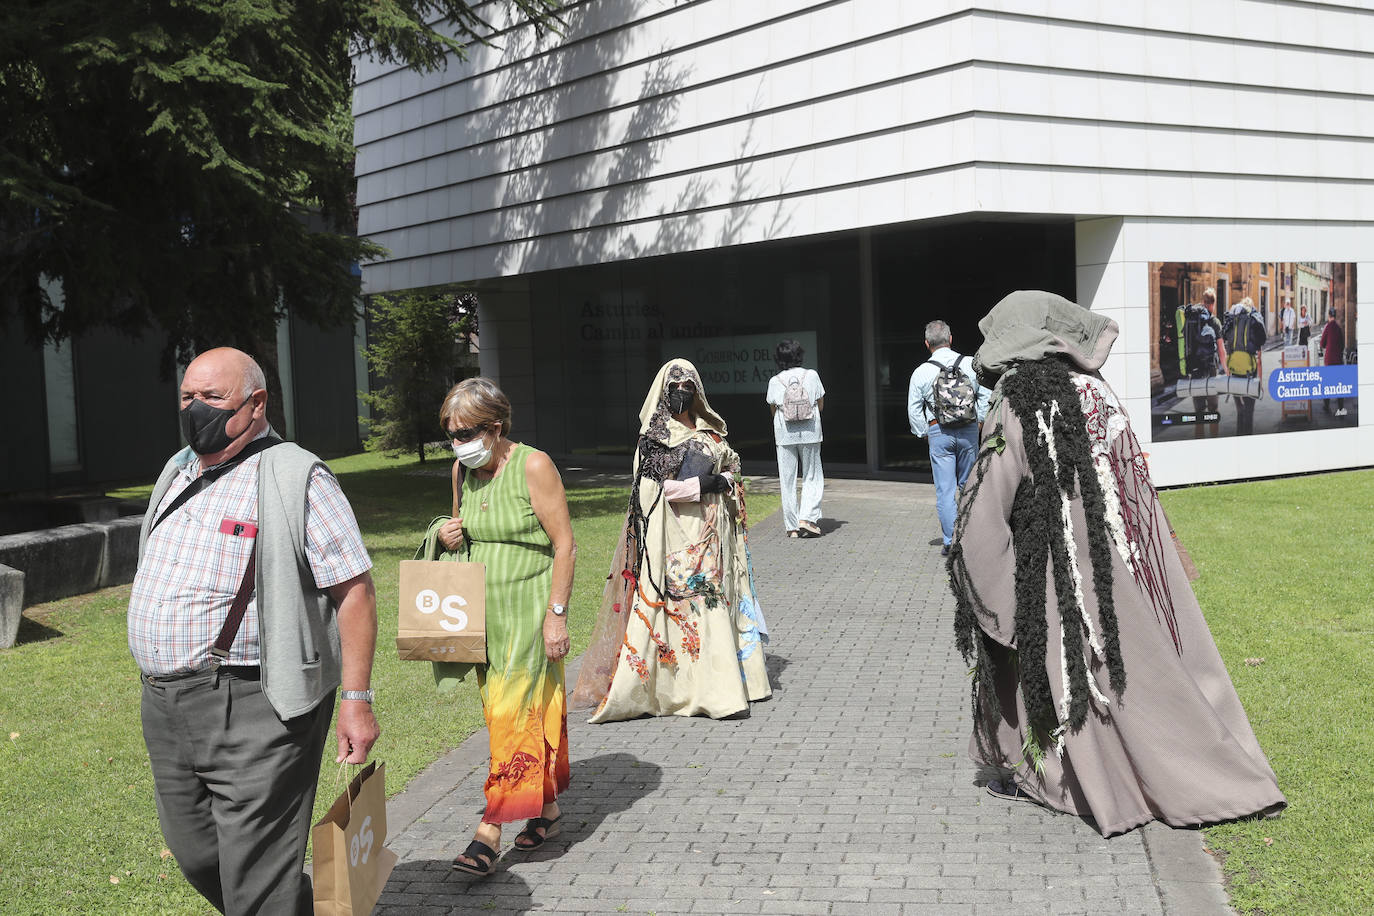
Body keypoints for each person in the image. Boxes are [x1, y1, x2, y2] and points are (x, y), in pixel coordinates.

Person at [947, 290, 1287, 836]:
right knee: (1144, 677)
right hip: (1127, 566)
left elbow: (984, 508)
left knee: (1074, 680)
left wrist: (994, 592)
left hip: (1060, 573)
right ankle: (1200, 771)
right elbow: (1135, 489)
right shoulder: (1096, 393)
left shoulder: (1017, 401)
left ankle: (1087, 782)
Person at [128, 347, 378, 915]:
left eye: (212, 398)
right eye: (188, 397)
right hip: (166, 704)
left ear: (256, 402)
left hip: (255, 705)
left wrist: (357, 700)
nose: (195, 409)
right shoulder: (178, 470)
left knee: (258, 874)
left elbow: (354, 593)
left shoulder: (297, 475)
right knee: (194, 853)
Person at [570, 358, 772, 722]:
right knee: (694, 607)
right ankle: (697, 692)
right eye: (674, 387)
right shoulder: (655, 438)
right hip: (677, 538)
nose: (681, 393)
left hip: (714, 536)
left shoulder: (709, 429)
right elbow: (655, 493)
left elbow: (733, 469)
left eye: (688, 387)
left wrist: (723, 480)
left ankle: (731, 683)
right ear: (663, 391)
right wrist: (707, 483)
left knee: (716, 602)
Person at [431, 378, 576, 877]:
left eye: (467, 432)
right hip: (482, 617)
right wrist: (446, 534)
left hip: (529, 612)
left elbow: (565, 545)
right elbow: (460, 532)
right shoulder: (461, 471)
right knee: (506, 716)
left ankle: (488, 832)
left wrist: (556, 615)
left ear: (495, 428)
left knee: (512, 716)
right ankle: (547, 813)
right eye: (451, 434)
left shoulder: (534, 465)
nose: (458, 443)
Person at [907, 319, 990, 556]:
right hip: (969, 430)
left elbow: (913, 409)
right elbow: (984, 394)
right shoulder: (970, 365)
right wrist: (980, 421)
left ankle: (951, 541)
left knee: (945, 489)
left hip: (939, 432)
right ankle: (973, 536)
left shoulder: (921, 371)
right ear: (951, 339)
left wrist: (924, 431)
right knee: (970, 484)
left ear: (926, 343)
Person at [765, 339, 826, 538]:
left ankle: (792, 527)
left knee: (787, 480)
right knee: (812, 476)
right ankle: (807, 518)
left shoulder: (775, 381)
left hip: (784, 434)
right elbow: (820, 403)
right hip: (810, 432)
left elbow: (773, 409)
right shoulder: (812, 375)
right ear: (799, 356)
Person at [1223, 297, 1266, 435]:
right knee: (1249, 410)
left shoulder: (1234, 321)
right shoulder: (1253, 322)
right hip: (1249, 372)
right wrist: (1260, 381)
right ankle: (1247, 438)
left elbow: (1227, 347)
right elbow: (1259, 359)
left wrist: (1228, 372)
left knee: (1240, 410)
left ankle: (1238, 437)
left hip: (1234, 371)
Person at [1187, 289, 1224, 439]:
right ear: (1213, 303)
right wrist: (1226, 369)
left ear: (1203, 302)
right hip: (1211, 369)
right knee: (1213, 409)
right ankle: (1214, 443)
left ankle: (1199, 443)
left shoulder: (1191, 320)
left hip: (1195, 369)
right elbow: (1221, 349)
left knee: (1199, 412)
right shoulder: (1214, 321)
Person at [1321, 308, 1347, 417]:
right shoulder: (1338, 328)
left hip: (1329, 360)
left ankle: (1326, 405)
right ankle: (1340, 407)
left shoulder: (1327, 327)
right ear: (1335, 316)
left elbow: (1322, 343)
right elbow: (1342, 344)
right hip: (1338, 360)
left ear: (1329, 315)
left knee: (1327, 383)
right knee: (1339, 383)